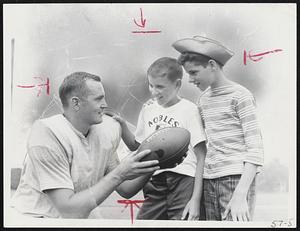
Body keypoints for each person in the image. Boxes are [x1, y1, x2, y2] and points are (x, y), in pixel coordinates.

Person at [10, 72, 160, 218]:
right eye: (98, 99)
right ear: (76, 102)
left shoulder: (105, 131)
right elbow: (68, 210)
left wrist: (158, 160)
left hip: (77, 215)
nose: (105, 105)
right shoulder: (46, 133)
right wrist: (120, 172)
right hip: (37, 218)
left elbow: (125, 188)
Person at [172, 36, 264, 221]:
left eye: (194, 72)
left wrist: (240, 195)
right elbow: (203, 146)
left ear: (212, 65)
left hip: (235, 180)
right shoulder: (203, 100)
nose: (190, 79)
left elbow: (256, 149)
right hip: (208, 180)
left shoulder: (241, 96)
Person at [112, 57, 207, 220]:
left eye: (160, 87)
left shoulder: (189, 110)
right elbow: (138, 147)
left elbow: (201, 156)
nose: (154, 91)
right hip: (154, 181)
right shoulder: (148, 109)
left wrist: (195, 200)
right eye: (151, 85)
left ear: (177, 85)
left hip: (183, 181)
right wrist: (122, 125)